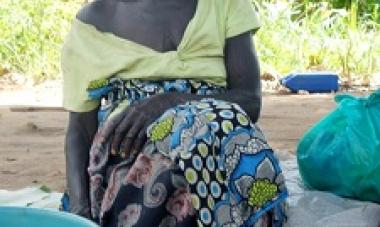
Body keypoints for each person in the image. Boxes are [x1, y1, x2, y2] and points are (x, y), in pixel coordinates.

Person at [62, 0, 288, 226]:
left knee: (232, 138)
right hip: (134, 146)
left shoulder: (224, 4)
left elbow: (249, 100)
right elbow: (80, 130)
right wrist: (79, 210)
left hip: (221, 134)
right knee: (173, 171)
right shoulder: (93, 22)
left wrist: (170, 102)